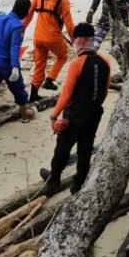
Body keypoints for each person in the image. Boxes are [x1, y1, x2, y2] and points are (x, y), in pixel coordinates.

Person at [39, 23, 110, 196]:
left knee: (63, 148)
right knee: (85, 149)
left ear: (82, 40)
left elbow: (66, 94)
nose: (75, 44)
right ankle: (78, 184)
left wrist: (54, 115)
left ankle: (54, 179)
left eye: (75, 40)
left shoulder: (77, 63)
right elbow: (105, 91)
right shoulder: (105, 62)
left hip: (75, 115)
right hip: (94, 114)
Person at [0, 0, 36, 129]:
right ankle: (25, 115)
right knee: (19, 90)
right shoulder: (18, 25)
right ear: (25, 11)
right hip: (7, 65)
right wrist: (15, 67)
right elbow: (14, 47)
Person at [23, 0, 76, 102]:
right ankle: (50, 79)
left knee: (39, 65)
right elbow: (69, 23)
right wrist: (74, 40)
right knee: (63, 55)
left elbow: (29, 13)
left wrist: (22, 29)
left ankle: (33, 95)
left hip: (38, 36)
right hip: (53, 37)